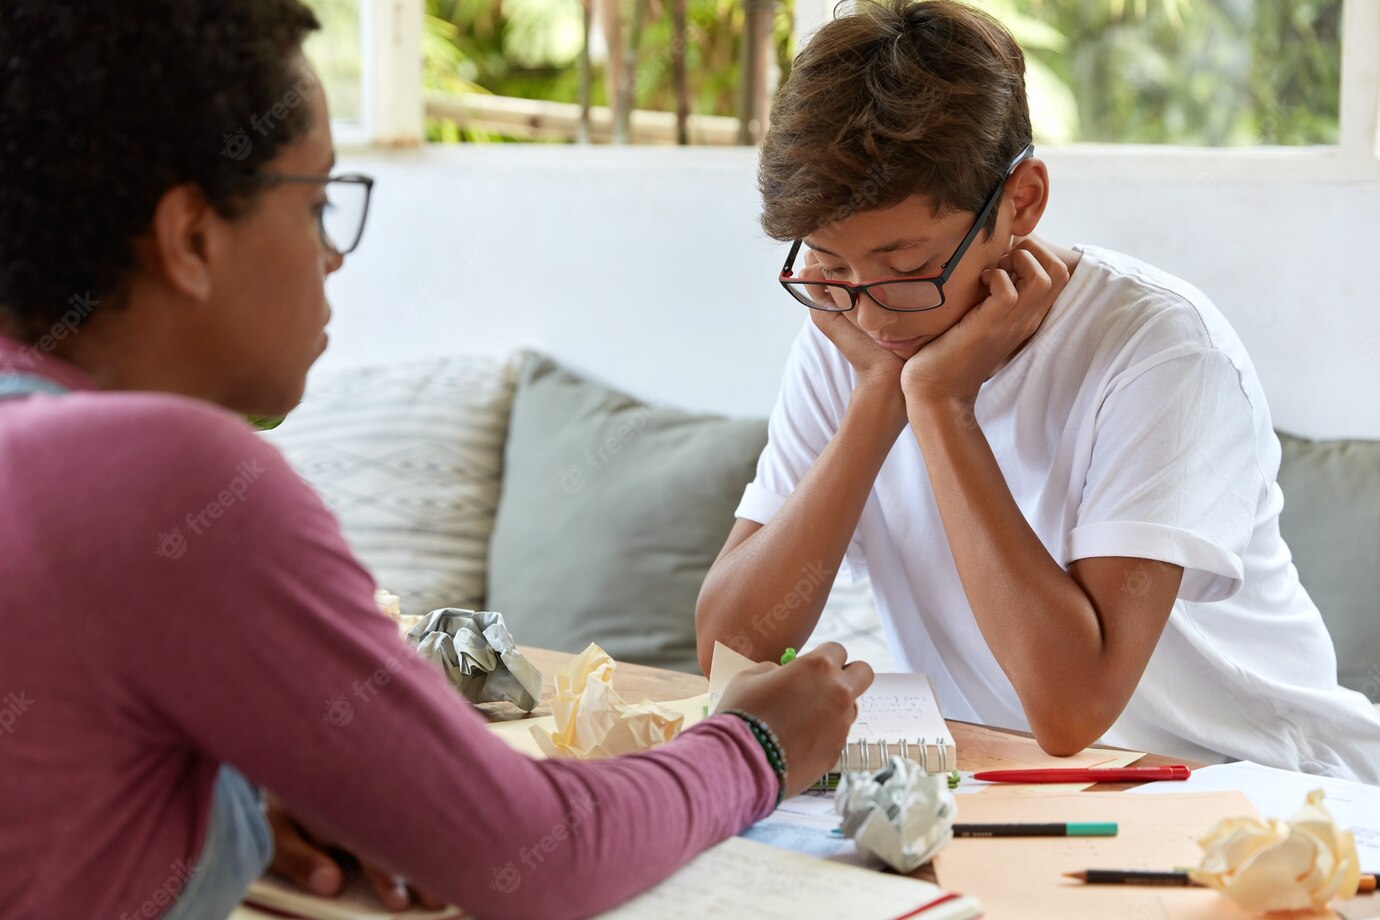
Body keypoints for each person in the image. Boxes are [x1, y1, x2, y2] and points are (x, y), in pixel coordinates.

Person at [0, 3, 873, 918]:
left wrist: (230, 803)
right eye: (316, 203)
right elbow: (539, 856)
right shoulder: (167, 475)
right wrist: (757, 746)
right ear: (191, 239)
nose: (333, 256)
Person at [697, 0, 1380, 783]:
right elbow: (731, 651)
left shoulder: (1159, 351)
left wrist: (940, 406)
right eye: (833, 265)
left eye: (906, 264)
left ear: (1020, 201)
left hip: (1262, 793)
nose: (870, 308)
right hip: (1023, 792)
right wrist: (879, 398)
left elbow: (1071, 709)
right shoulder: (854, 336)